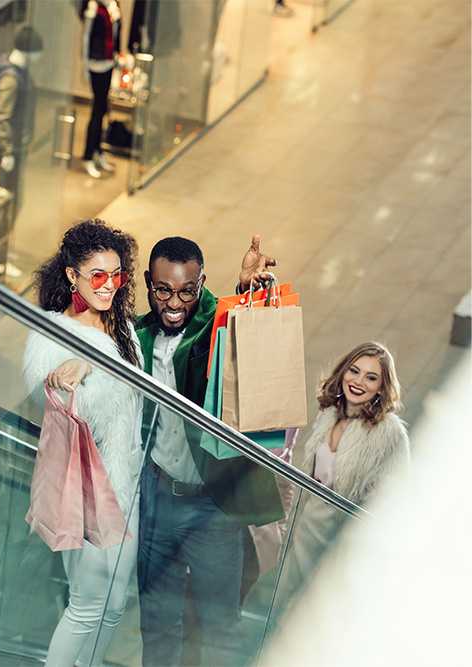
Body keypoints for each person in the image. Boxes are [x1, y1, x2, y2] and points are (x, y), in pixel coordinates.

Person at [134, 235, 285, 666]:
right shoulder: (138, 335)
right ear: (149, 283)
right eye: (163, 290)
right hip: (157, 499)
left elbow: (228, 329)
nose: (175, 302)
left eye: (188, 290)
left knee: (220, 627)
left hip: (211, 509)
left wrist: (246, 293)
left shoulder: (208, 325)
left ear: (201, 283)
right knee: (157, 623)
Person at [22, 219, 144, 666]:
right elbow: (54, 397)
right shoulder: (51, 335)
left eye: (117, 276)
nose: (109, 285)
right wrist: (82, 368)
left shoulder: (123, 330)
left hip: (126, 482)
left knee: (112, 608)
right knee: (88, 604)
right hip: (88, 487)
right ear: (72, 275)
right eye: (98, 275)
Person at [274, 342, 410, 610]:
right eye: (354, 371)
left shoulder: (389, 432)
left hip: (346, 539)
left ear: (382, 387)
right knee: (286, 605)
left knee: (323, 611)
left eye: (371, 377)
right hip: (309, 528)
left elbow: (400, 499)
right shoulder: (329, 413)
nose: (358, 382)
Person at [0, 25, 44, 277]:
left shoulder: (9, 68)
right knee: (12, 201)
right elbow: (2, 116)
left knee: (11, 199)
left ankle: (1, 247)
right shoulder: (12, 77)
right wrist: (7, 150)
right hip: (10, 151)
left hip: (13, 149)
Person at [79, 0, 121, 179]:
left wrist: (117, 56)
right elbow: (86, 37)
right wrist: (84, 66)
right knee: (98, 109)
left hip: (109, 62)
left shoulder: (113, 5)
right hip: (96, 64)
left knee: (103, 108)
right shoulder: (93, 7)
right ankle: (88, 154)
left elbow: (116, 34)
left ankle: (97, 151)